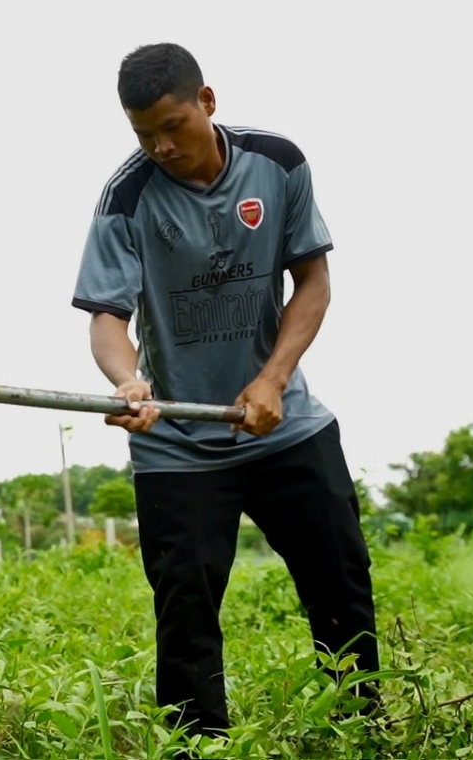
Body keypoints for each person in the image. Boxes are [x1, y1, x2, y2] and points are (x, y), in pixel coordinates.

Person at [70, 42, 381, 738]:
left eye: (172, 125)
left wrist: (272, 378)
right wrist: (128, 381)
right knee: (185, 617)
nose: (159, 145)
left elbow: (314, 282)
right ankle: (197, 748)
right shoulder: (127, 199)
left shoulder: (277, 164)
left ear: (207, 102)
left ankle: (363, 730)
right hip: (178, 443)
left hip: (282, 422)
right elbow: (108, 320)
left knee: (341, 584)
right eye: (142, 133)